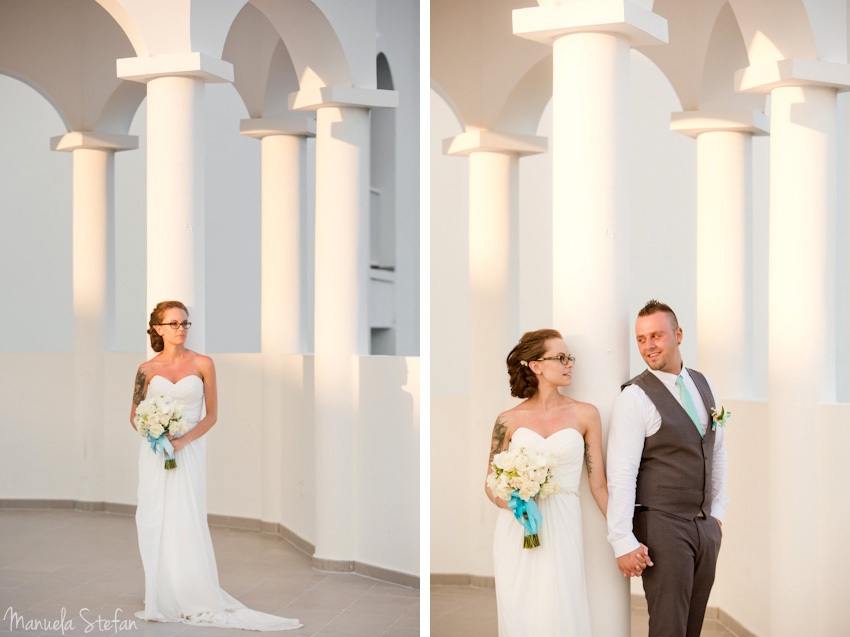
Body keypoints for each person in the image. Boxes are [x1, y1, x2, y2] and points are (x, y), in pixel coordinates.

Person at [131, 300, 301, 630]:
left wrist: (181, 441)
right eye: (174, 324)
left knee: (186, 515)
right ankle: (162, 591)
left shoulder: (203, 363)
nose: (180, 329)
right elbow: (135, 415)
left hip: (189, 450)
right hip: (156, 454)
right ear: (158, 329)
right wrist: (157, 435)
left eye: (185, 324)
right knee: (155, 517)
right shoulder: (146, 370)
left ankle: (192, 590)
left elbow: (212, 415)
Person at [606, 300, 728, 637]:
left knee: (692, 625)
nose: (648, 346)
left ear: (678, 334)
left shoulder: (704, 384)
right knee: (668, 626)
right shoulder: (635, 397)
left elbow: (716, 451)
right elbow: (621, 472)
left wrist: (717, 512)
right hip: (662, 524)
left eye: (656, 336)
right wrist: (622, 540)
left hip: (704, 527)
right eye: (641, 339)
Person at [486, 329, 608, 637]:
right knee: (521, 609)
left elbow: (599, 485)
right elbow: (490, 484)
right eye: (561, 358)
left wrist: (625, 534)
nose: (569, 364)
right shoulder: (506, 420)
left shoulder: (586, 414)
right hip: (518, 527)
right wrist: (516, 500)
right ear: (536, 366)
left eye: (570, 358)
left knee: (561, 608)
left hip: (564, 522)